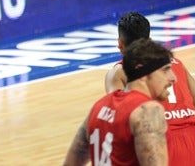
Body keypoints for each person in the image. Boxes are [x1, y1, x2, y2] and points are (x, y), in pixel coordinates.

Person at [103, 12, 195, 166]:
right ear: (150, 41)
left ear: (120, 44)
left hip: (164, 146)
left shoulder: (119, 72)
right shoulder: (175, 64)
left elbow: (118, 125)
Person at [63, 38, 175, 166]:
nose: (173, 78)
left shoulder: (99, 106)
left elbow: (71, 163)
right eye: (165, 70)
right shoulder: (147, 111)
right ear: (143, 72)